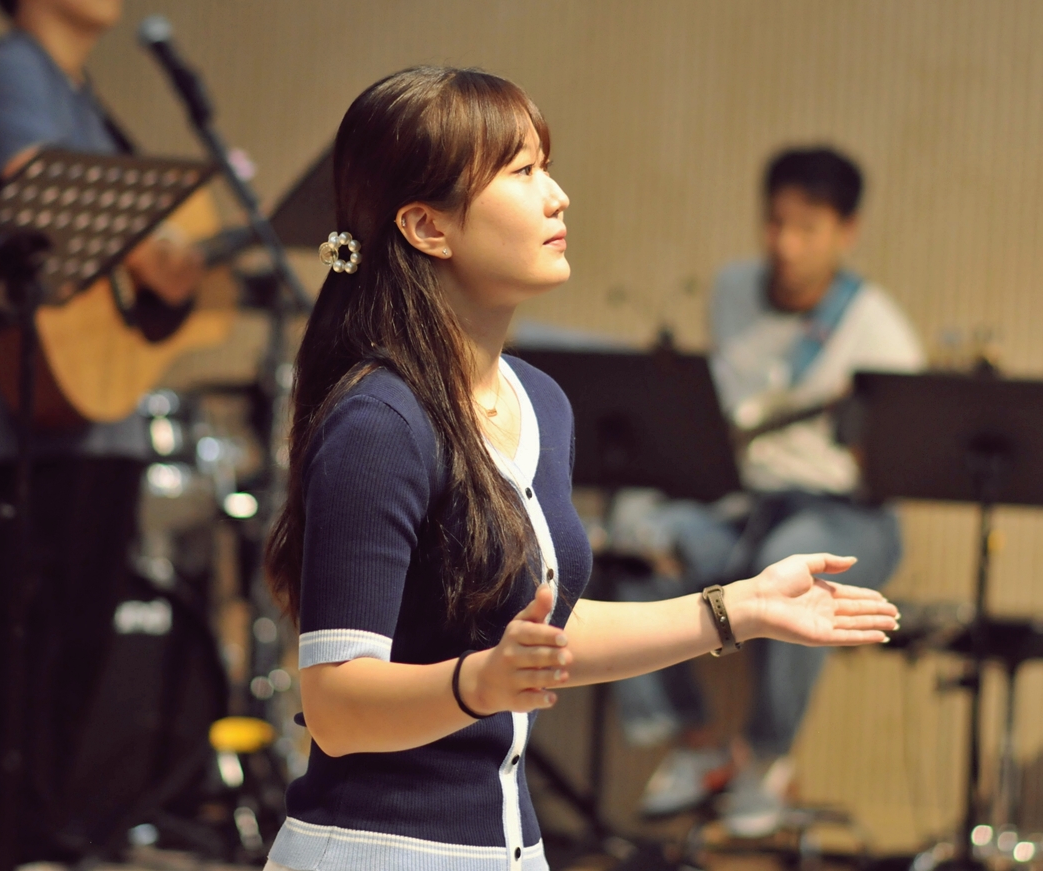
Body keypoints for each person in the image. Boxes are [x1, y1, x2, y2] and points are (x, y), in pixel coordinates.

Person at [260, 67, 900, 871]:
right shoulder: (380, 423)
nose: (558, 196)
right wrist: (479, 684)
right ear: (427, 226)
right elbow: (336, 705)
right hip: (376, 849)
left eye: (547, 167)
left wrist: (739, 608)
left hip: (509, 849)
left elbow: (550, 635)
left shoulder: (540, 402)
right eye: (523, 172)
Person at [0, 0, 203, 871]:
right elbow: (33, 197)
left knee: (72, 644)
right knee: (8, 644)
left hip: (100, 412)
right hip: (19, 421)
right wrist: (155, 246)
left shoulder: (84, 98)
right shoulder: (10, 71)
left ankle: (34, 833)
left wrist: (178, 267)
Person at [610, 145, 924, 834]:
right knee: (635, 544)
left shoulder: (879, 330)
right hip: (742, 505)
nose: (785, 244)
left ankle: (767, 758)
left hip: (843, 514)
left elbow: (896, 466)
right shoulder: (731, 289)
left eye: (807, 229)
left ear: (847, 231)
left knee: (796, 560)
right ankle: (696, 744)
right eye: (775, 223)